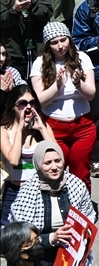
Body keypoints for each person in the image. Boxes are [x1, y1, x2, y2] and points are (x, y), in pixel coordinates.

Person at [9, 141, 95, 266]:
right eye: (47, 163)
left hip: (72, 257)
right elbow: (21, 234)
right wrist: (51, 238)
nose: (54, 167)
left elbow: (89, 216)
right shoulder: (29, 191)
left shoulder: (75, 184)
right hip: (41, 259)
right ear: (38, 165)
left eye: (58, 161)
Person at [29, 23, 96, 187]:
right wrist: (57, 86)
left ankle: (81, 210)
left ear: (69, 40)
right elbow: (39, 101)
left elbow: (91, 94)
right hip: (53, 127)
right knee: (54, 173)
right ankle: (58, 209)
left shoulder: (83, 58)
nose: (60, 46)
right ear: (47, 45)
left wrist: (78, 83)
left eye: (63, 40)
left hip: (83, 125)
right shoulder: (40, 63)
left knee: (81, 173)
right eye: (54, 42)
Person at [0, 86, 54, 225]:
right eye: (23, 104)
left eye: (32, 103)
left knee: (37, 234)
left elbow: (57, 155)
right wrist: (19, 130)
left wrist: (42, 128)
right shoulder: (4, 131)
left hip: (39, 190)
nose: (28, 107)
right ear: (13, 106)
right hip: (14, 191)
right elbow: (13, 160)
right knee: (8, 236)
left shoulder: (43, 127)